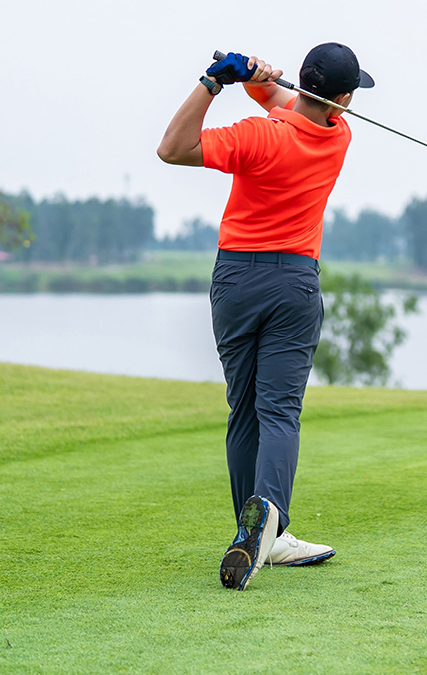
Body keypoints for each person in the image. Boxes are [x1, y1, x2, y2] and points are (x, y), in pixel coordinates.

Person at [157, 43, 374, 590]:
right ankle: (268, 526)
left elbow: (171, 148)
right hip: (293, 283)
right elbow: (290, 102)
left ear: (304, 81)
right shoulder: (338, 135)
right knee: (280, 411)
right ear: (343, 101)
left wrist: (215, 81)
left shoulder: (258, 135)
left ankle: (253, 533)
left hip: (235, 280)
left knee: (244, 412)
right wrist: (256, 78)